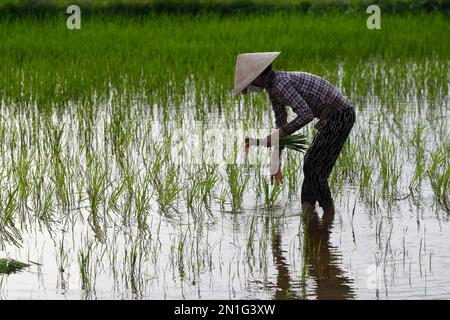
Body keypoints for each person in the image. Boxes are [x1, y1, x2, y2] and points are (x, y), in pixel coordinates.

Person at [234, 52, 355, 214]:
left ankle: (328, 215)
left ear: (257, 76)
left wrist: (277, 135)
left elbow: (306, 115)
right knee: (311, 165)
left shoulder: (280, 85)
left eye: (250, 81)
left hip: (340, 115)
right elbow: (281, 124)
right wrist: (276, 161)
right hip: (332, 116)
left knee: (315, 168)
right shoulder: (273, 87)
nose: (250, 86)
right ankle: (308, 211)